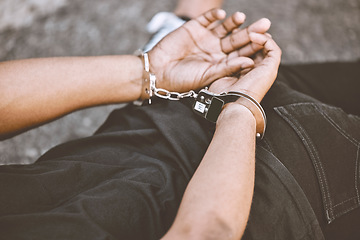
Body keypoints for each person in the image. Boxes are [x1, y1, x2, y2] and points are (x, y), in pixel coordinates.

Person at [0, 7, 359, 240]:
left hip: (177, 121)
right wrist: (238, 108)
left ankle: (187, 21)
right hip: (274, 181)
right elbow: (207, 233)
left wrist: (152, 70)